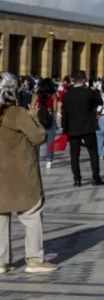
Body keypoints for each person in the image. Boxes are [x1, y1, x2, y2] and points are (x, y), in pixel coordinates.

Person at [0, 72, 58, 274]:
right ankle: (34, 259)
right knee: (31, 214)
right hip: (21, 174)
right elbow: (39, 137)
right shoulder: (17, 114)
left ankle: (1, 261)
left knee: (1, 216)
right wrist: (33, 119)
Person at [61, 70, 104, 186]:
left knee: (74, 155)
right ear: (85, 80)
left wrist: (64, 130)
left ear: (73, 80)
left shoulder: (66, 95)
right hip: (88, 127)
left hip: (73, 128)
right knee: (93, 153)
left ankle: (77, 179)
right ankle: (96, 177)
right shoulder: (89, 93)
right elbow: (100, 101)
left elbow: (64, 114)